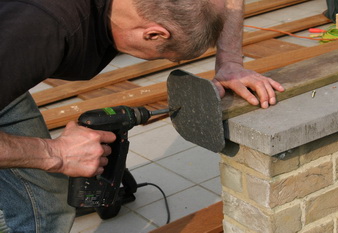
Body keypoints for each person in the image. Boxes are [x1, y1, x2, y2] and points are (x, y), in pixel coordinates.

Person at [0, 0, 284, 232]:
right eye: (168, 56)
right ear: (154, 34)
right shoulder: (43, 28)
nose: (168, 61)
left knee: (48, 202)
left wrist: (231, 62)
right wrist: (54, 153)